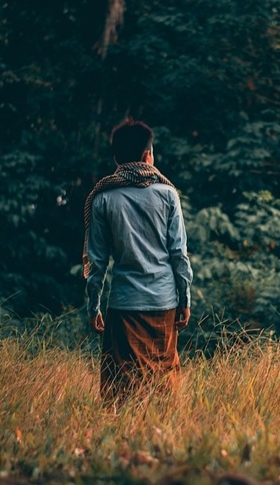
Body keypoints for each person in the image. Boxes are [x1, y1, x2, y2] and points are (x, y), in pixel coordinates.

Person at [83, 118, 193, 401]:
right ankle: (162, 438)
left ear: (117, 157)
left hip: (124, 304)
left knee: (122, 386)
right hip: (163, 302)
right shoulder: (168, 194)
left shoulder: (102, 198)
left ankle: (124, 437)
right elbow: (178, 253)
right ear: (147, 155)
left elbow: (97, 261)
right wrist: (185, 299)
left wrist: (94, 305)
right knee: (163, 382)